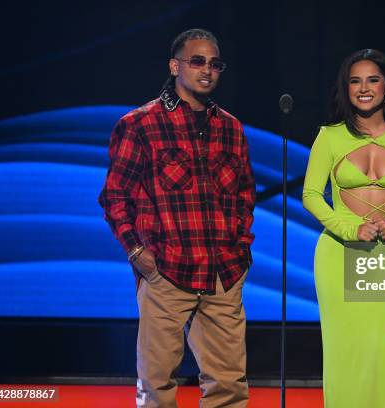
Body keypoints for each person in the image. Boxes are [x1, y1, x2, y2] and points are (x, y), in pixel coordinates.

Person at [98, 28, 255, 408]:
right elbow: (115, 196)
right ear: (175, 66)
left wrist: (241, 247)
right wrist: (138, 253)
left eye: (214, 63)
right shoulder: (140, 124)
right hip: (166, 272)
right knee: (157, 386)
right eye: (197, 61)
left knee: (229, 387)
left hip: (222, 275)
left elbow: (244, 196)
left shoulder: (230, 128)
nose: (207, 70)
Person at [302, 49, 385, 408]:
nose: (364, 88)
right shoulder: (329, 137)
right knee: (345, 348)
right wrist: (348, 228)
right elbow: (312, 195)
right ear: (346, 89)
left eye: (372, 80)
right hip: (338, 255)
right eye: (355, 81)